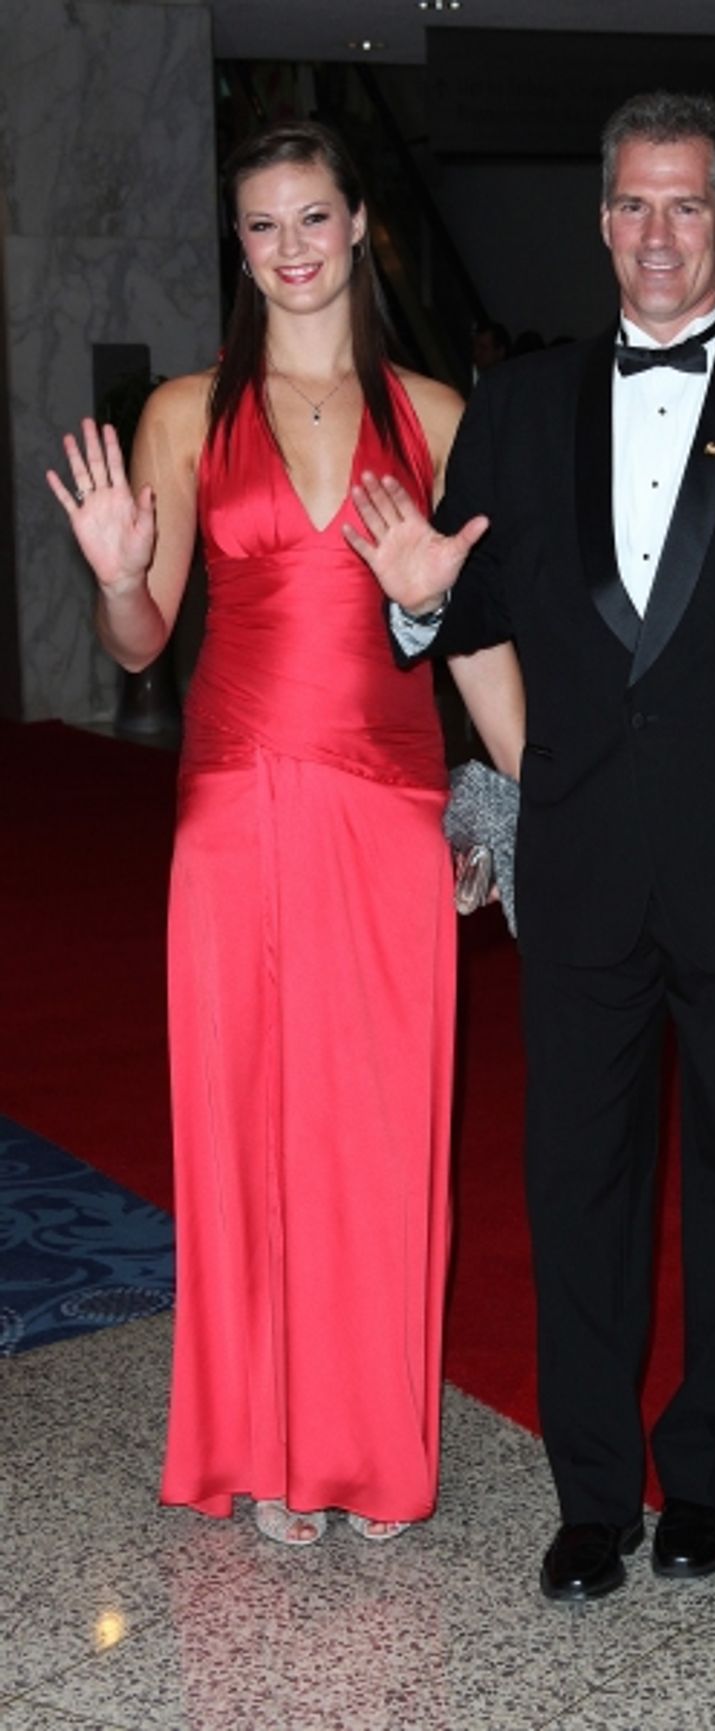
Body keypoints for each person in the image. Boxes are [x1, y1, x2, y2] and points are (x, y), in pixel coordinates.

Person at [348, 90, 715, 1601]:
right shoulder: (517, 407)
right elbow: (469, 607)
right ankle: (591, 1494)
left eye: (685, 207)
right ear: (603, 222)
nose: (657, 237)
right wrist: (412, 601)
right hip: (581, 868)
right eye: (631, 207)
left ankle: (707, 1473)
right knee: (577, 1191)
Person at [46, 121, 524, 1547]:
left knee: (382, 1131)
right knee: (244, 1125)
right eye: (263, 227)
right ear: (239, 248)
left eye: (313, 218)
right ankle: (260, 1443)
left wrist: (539, 797)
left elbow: (472, 639)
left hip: (386, 807)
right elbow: (141, 644)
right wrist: (123, 577)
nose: (292, 249)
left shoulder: (439, 413)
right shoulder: (188, 413)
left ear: (362, 224)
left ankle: (374, 1446)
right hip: (235, 808)